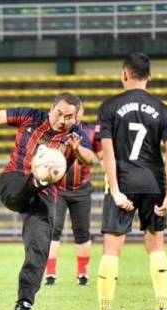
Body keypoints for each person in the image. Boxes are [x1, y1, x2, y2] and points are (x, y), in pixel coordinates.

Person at [0, 93, 96, 310]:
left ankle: (25, 301)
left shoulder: (76, 135)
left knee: (38, 247)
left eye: (68, 117)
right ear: (51, 108)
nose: (62, 120)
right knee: (20, 191)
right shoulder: (31, 117)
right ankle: (37, 178)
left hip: (44, 193)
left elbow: (89, 158)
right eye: (59, 113)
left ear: (75, 118)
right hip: (15, 179)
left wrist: (77, 150)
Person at [90, 52, 167, 310]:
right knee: (156, 247)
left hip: (123, 184)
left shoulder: (109, 107)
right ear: (149, 77)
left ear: (124, 74)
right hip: (154, 185)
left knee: (112, 250)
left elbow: (107, 151)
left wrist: (115, 190)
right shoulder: (164, 110)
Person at [45, 107, 103, 286]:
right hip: (58, 188)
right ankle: (50, 274)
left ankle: (82, 273)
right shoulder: (53, 131)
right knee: (54, 230)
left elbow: (99, 158)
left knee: (82, 232)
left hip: (82, 189)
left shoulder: (92, 131)